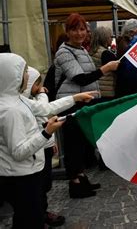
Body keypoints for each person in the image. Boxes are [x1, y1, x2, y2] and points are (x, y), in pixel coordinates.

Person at [54, 13, 120, 198]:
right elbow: (80, 77)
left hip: (84, 102)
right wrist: (106, 69)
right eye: (74, 29)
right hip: (70, 103)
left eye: (82, 29)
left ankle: (82, 178)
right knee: (73, 144)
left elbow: (89, 76)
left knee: (82, 143)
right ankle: (75, 184)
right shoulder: (64, 52)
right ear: (67, 31)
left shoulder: (81, 49)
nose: (79, 33)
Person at [21, 66, 96, 227]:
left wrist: (50, 141)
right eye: (36, 84)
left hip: (42, 148)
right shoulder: (17, 108)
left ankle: (41, 212)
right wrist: (74, 98)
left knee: (45, 184)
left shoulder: (29, 101)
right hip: (31, 156)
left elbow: (45, 114)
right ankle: (39, 215)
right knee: (36, 191)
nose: (40, 88)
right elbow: (45, 111)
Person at [0, 53, 65, 228]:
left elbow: (45, 107)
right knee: (29, 220)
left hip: (23, 174)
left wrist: (76, 98)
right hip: (20, 177)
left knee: (26, 217)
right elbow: (19, 152)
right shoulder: (11, 110)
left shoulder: (17, 100)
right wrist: (46, 133)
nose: (27, 76)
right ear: (12, 76)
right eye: (24, 72)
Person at [89, 26, 117, 101]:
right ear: (105, 38)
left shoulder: (91, 51)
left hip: (95, 90)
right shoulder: (106, 53)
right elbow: (118, 70)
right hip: (107, 91)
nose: (112, 39)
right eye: (111, 36)